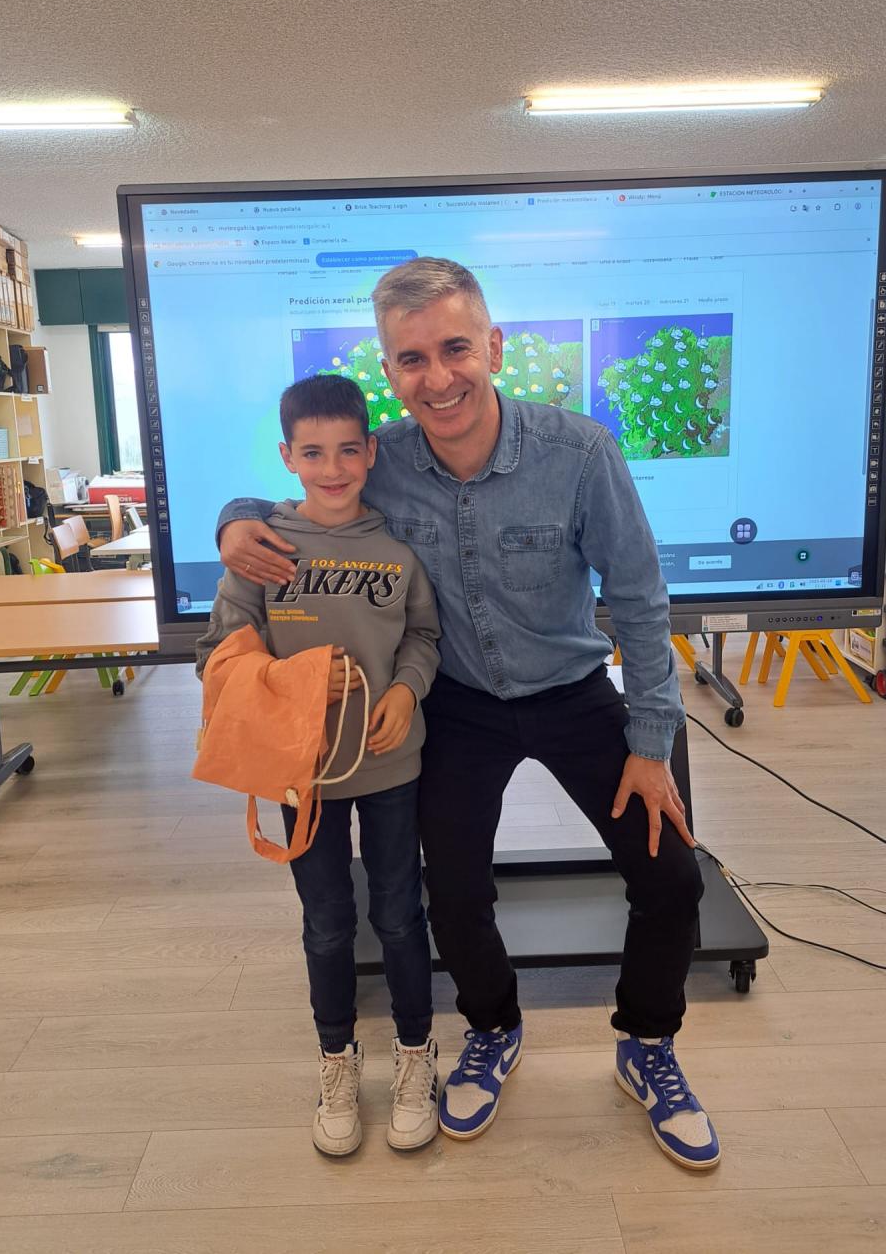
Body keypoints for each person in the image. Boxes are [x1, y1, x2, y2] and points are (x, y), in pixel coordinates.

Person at [216, 258, 720, 1170]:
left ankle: (647, 1043)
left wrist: (651, 743)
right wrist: (234, 517)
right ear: (389, 370)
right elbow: (299, 491)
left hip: (572, 692)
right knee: (449, 893)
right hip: (455, 703)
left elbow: (641, 599)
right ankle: (492, 1027)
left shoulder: (579, 453)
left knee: (671, 876)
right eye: (412, 359)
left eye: (455, 348)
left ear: (493, 345)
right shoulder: (383, 458)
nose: (438, 376)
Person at [196, 375, 441, 1157]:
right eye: (312, 453)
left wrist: (404, 690)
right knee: (328, 920)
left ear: (370, 451)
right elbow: (219, 657)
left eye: (346, 450)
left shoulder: (399, 551)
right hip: (302, 772)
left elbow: (423, 637)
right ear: (287, 456)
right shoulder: (262, 550)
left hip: (392, 763)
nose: (331, 468)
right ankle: (337, 1058)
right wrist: (296, 681)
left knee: (399, 914)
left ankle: (416, 1053)